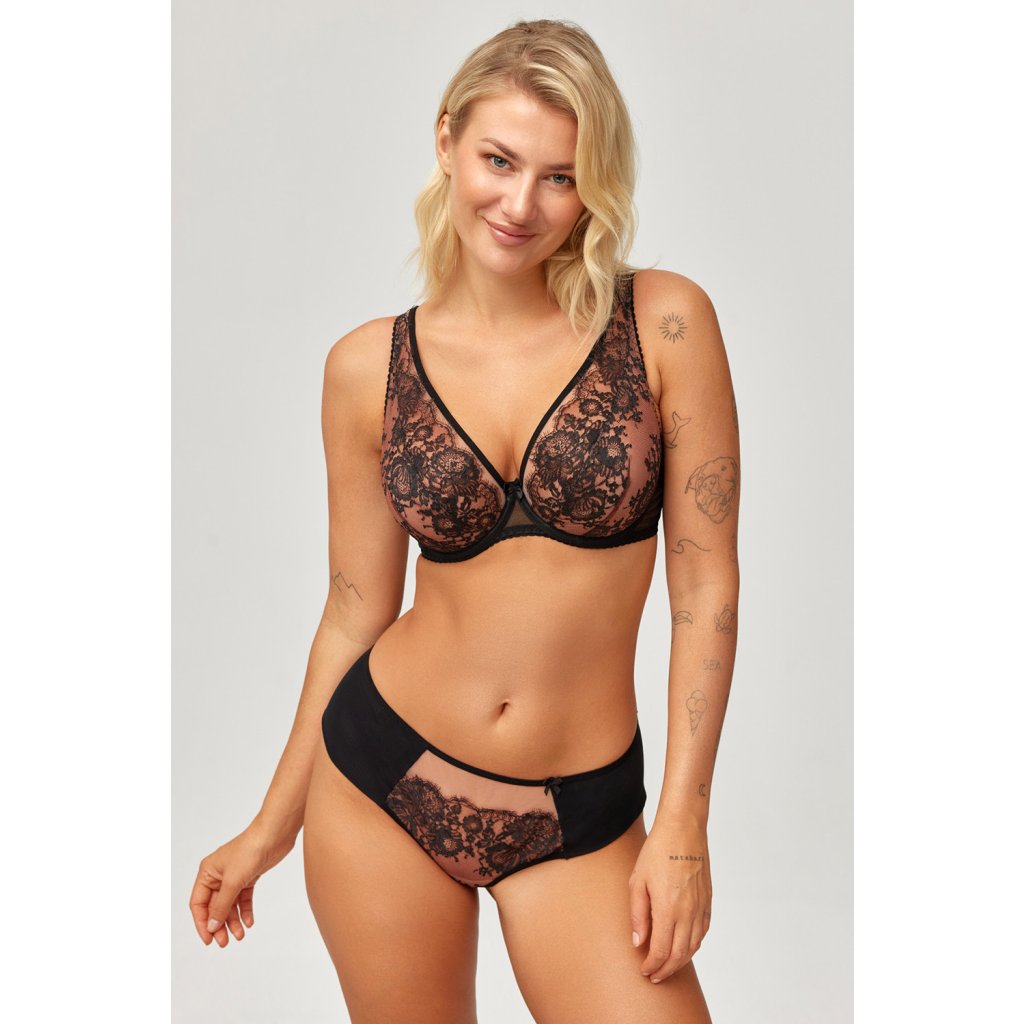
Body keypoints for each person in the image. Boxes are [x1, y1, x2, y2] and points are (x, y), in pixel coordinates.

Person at [190, 18, 739, 1023]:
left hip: (580, 813)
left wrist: (682, 829)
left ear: (595, 185)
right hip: (381, 782)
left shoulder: (664, 323)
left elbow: (705, 589)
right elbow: (353, 612)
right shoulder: (366, 369)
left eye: (561, 177)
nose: (521, 204)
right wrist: (272, 824)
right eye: (499, 160)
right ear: (446, 141)